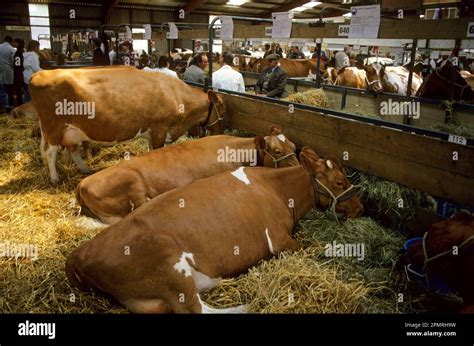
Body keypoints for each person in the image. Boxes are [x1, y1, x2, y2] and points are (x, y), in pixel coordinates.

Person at [0, 36, 15, 113]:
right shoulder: (11, 49)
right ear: (11, 41)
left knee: (1, 89)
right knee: (9, 90)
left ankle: (2, 105)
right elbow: (13, 62)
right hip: (8, 71)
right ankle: (10, 106)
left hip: (0, 71)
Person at [12, 38, 25, 107]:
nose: (13, 43)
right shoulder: (23, 51)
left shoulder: (17, 52)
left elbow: (17, 64)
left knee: (18, 89)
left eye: (14, 42)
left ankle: (19, 104)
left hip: (18, 72)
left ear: (17, 43)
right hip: (22, 71)